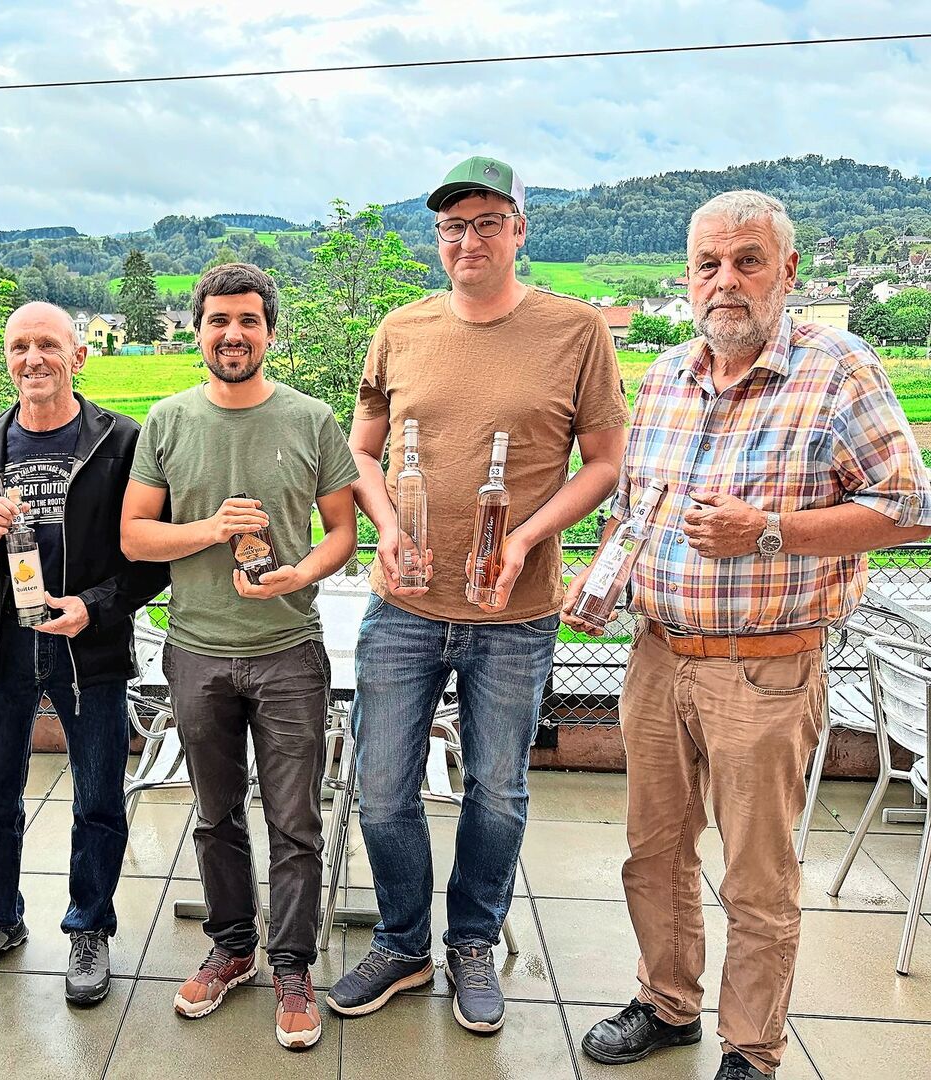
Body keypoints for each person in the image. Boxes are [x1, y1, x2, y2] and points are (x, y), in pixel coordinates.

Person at [568, 190, 931, 1080]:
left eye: (747, 261)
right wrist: (603, 576)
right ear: (688, 276)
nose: (724, 281)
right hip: (657, 656)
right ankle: (667, 1004)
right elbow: (637, 511)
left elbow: (910, 508)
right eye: (708, 264)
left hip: (766, 670)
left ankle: (752, 1049)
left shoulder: (838, 370)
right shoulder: (666, 376)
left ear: (788, 270)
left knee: (757, 877)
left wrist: (769, 530)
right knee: (653, 854)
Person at [328, 155, 628, 1031]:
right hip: (404, 604)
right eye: (453, 226)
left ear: (519, 230)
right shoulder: (400, 329)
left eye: (487, 222)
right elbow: (361, 451)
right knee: (382, 785)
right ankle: (401, 943)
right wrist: (387, 524)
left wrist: (528, 538)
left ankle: (471, 942)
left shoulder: (577, 331)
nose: (469, 239)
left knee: (497, 790)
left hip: (516, 613)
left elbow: (605, 463)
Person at [121, 262, 360, 1051]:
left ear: (269, 332)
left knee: (296, 821)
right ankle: (232, 949)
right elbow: (135, 536)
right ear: (197, 331)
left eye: (248, 320)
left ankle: (292, 966)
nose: (233, 334)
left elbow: (343, 532)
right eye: (218, 320)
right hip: (196, 652)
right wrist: (212, 529)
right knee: (215, 813)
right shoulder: (167, 421)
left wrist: (301, 573)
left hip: (289, 651)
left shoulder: (311, 419)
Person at [0, 301, 168, 1004]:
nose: (32, 358)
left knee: (98, 798)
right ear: (7, 358)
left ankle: (89, 927)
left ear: (78, 355)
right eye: (19, 346)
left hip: (87, 651)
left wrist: (93, 606)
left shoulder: (122, 440)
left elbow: (151, 560)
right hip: (2, 647)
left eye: (47, 344)